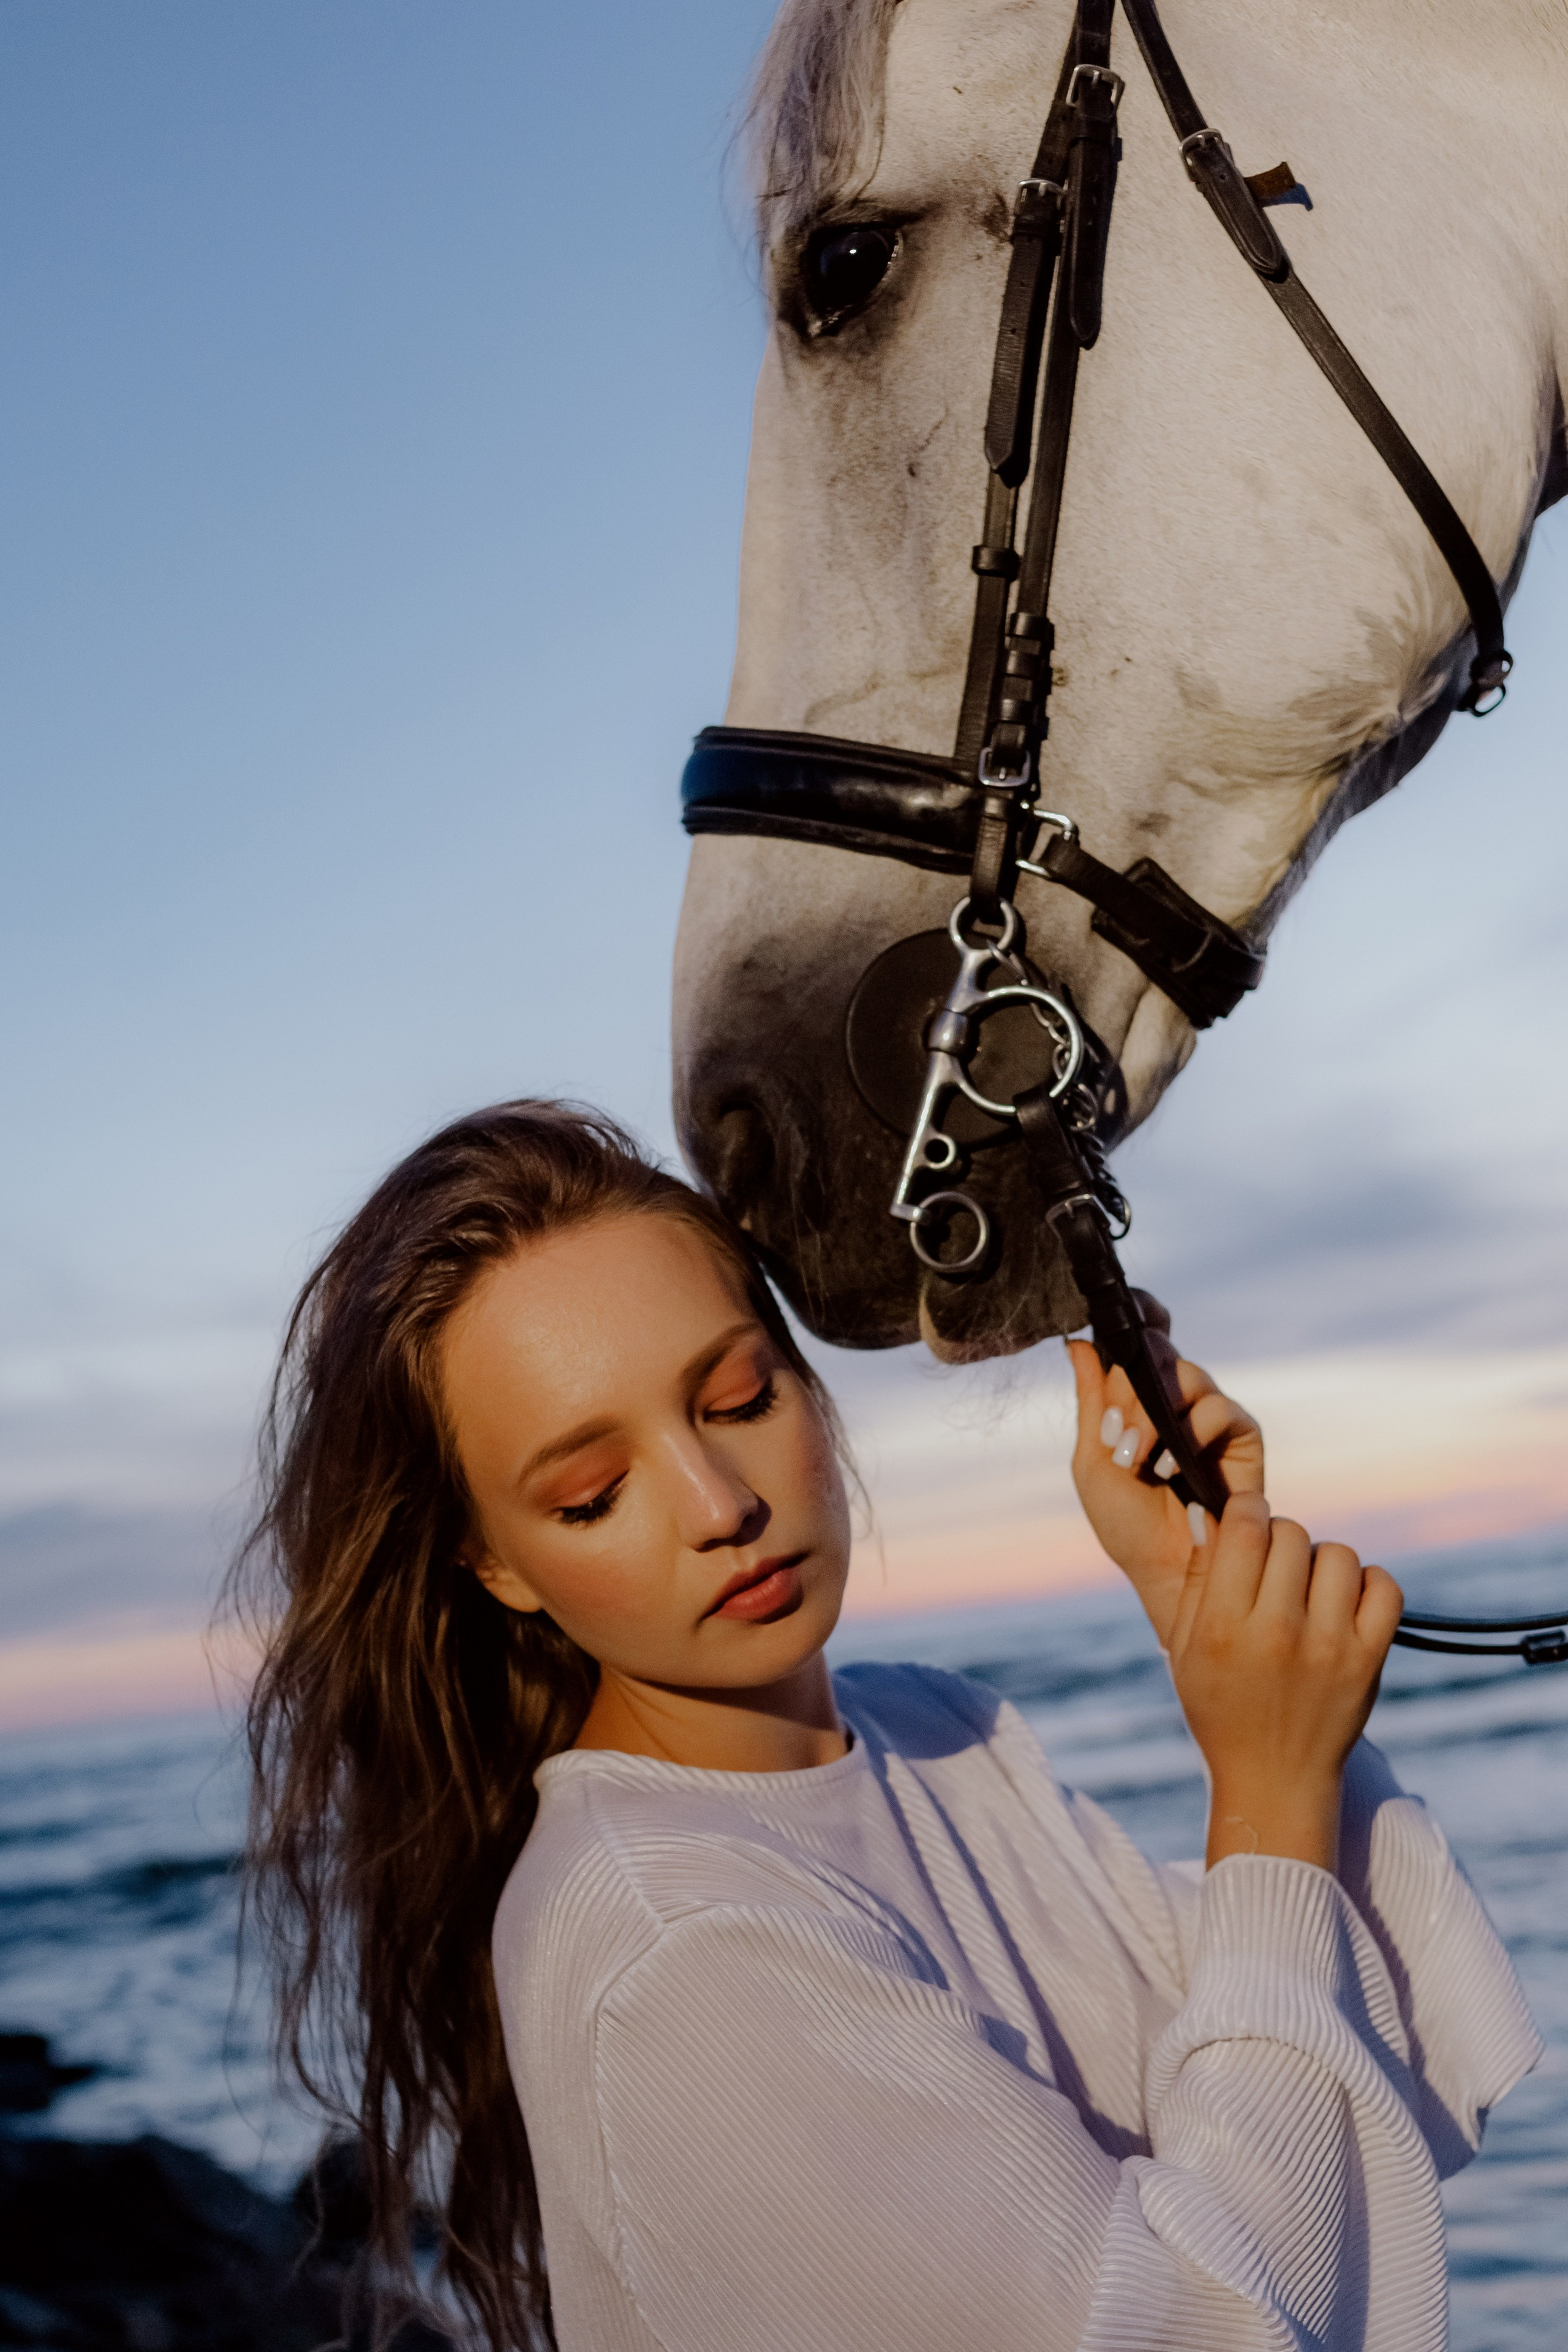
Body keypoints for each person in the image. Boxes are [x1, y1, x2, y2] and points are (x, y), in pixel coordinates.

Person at [234, 1098, 1538, 2352]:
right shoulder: (675, 1940)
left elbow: (1361, 2079)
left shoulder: (928, 1731)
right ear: (496, 1564)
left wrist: (1210, 1593)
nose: (715, 1503)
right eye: (590, 1494)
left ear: (806, 1384)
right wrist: (1261, 1785)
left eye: (738, 1400)